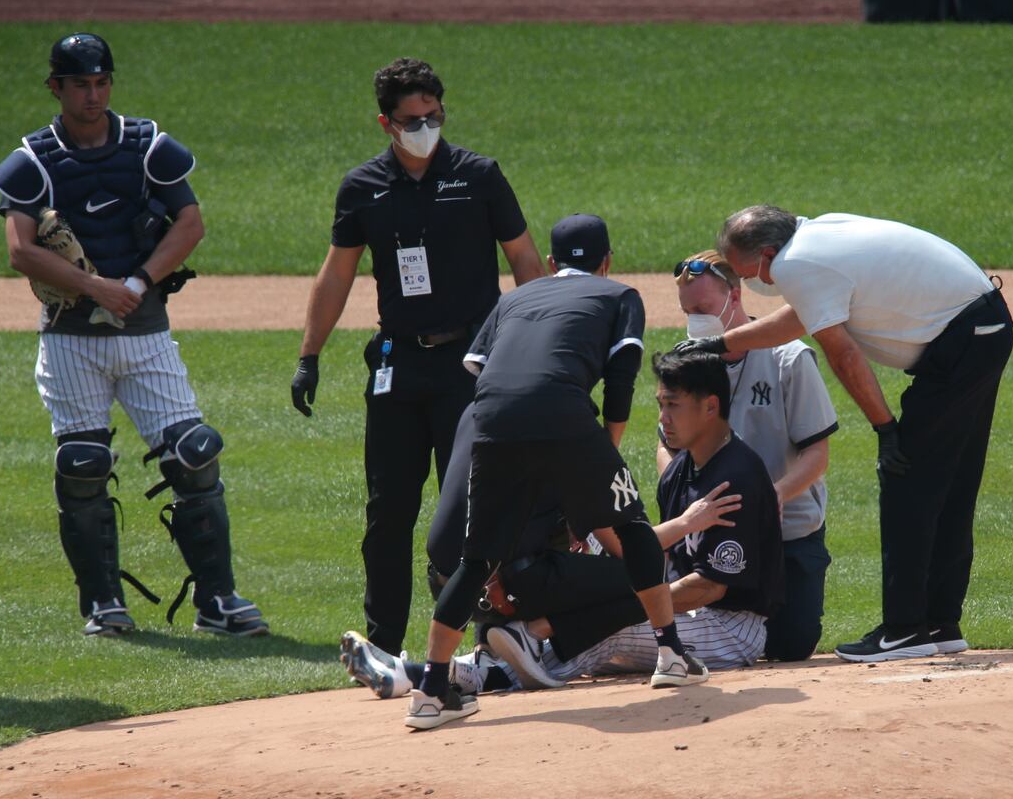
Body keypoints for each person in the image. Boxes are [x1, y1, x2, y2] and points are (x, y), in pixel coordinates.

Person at [0, 32, 267, 637]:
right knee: (83, 464)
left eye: (101, 82)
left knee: (194, 456)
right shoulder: (33, 162)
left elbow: (189, 223)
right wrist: (96, 289)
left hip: (144, 331)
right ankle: (103, 605)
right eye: (80, 84)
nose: (93, 95)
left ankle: (218, 602)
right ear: (56, 88)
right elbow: (21, 250)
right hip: (69, 340)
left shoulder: (148, 148)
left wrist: (136, 284)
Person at [403, 213, 707, 730]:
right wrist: (602, 455)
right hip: (564, 414)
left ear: (549, 263)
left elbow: (478, 368)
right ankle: (671, 654)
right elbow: (620, 378)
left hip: (487, 418)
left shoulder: (513, 299)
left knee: (477, 560)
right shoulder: (618, 295)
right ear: (607, 261)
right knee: (632, 526)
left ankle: (431, 690)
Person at [678, 206, 1013, 662]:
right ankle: (939, 620)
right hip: (982, 331)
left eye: (746, 271)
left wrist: (886, 429)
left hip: (961, 343)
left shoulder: (797, 263)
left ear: (769, 253)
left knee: (906, 479)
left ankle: (905, 628)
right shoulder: (817, 234)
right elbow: (800, 319)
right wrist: (719, 344)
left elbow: (844, 355)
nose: (759, 282)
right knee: (950, 485)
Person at [291, 58, 543, 656]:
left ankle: (484, 641)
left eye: (434, 115)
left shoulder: (479, 176)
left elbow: (527, 264)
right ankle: (383, 645)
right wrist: (310, 354)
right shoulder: (363, 189)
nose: (425, 127)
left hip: (472, 367)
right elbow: (335, 277)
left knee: (473, 510)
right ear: (387, 123)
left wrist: (535, 352)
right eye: (412, 119)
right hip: (399, 368)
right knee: (388, 513)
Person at [344, 351, 782, 695]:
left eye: (673, 405)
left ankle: (418, 673)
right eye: (660, 404)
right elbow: (647, 554)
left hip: (731, 629)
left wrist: (613, 609)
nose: (662, 417)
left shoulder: (736, 478)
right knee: (579, 618)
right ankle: (424, 673)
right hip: (689, 611)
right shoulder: (683, 467)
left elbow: (710, 588)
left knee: (609, 628)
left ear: (711, 407)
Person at [662, 251, 837, 661]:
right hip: (708, 527)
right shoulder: (687, 357)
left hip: (787, 532)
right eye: (687, 311)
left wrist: (773, 495)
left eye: (703, 309)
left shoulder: (788, 358)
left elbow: (818, 453)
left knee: (790, 645)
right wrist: (684, 498)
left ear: (735, 297)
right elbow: (667, 442)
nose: (695, 320)